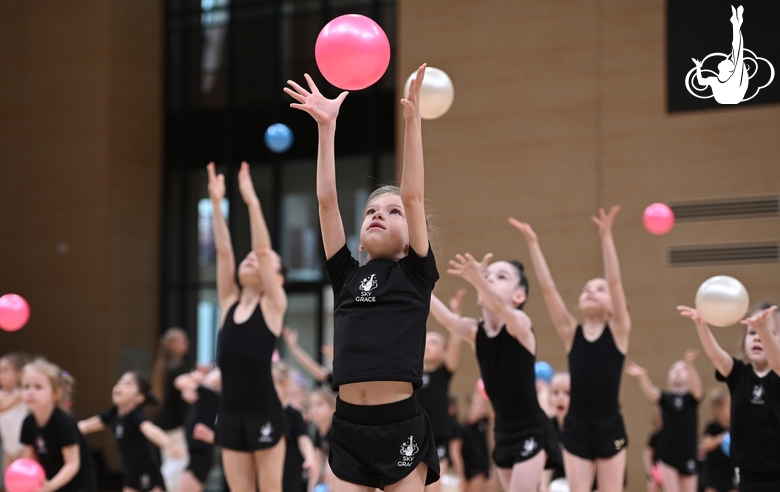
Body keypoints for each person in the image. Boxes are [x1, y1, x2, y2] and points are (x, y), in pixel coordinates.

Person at [285, 63, 440, 492]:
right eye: (372, 210)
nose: (378, 215)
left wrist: (412, 123)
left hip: (400, 426)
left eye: (393, 213)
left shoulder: (415, 271)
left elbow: (412, 194)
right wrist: (326, 127)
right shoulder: (346, 276)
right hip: (348, 427)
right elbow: (326, 201)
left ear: (411, 237)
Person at [511, 207, 630, 492]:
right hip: (576, 424)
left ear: (615, 306)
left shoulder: (619, 331)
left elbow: (614, 281)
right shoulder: (570, 332)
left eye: (598, 290)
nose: (591, 291)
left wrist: (606, 237)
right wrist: (533, 245)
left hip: (609, 423)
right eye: (587, 288)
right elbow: (548, 287)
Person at [429, 253, 560, 492]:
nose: (489, 280)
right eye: (487, 275)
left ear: (518, 296)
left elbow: (500, 307)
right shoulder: (475, 331)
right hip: (503, 432)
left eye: (501, 277)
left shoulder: (520, 324)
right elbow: (447, 320)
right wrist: (415, 277)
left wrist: (479, 280)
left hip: (532, 428)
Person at [208, 161, 288, 492]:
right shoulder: (228, 303)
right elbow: (224, 252)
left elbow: (263, 250)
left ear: (278, 278)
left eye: (260, 262)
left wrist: (252, 201)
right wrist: (216, 203)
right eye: (248, 259)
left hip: (264, 412)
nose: (250, 259)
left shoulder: (273, 306)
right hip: (230, 415)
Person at [678, 301, 780, 491]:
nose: (757, 338)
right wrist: (702, 326)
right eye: (752, 333)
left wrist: (762, 329)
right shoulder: (739, 373)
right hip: (748, 476)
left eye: (768, 333)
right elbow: (717, 357)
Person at [78, 372, 182, 492]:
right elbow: (85, 426)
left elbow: (150, 430)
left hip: (147, 471)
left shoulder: (136, 416)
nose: (119, 386)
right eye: (119, 382)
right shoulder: (112, 414)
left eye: (127, 384)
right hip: (131, 474)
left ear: (139, 397)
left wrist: (167, 443)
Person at [626, 350, 703, 492]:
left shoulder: (691, 399)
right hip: (667, 454)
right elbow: (651, 393)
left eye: (682, 370)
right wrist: (643, 377)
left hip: (688, 454)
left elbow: (698, 389)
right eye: (674, 369)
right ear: (668, 378)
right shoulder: (666, 399)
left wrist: (689, 365)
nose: (678, 371)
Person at [19, 359, 97, 492]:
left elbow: (72, 464)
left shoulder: (63, 421)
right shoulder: (28, 422)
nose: (30, 392)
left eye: (38, 387)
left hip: (78, 484)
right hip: (50, 481)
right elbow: (29, 460)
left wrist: (50, 486)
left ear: (56, 393)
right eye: (26, 387)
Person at [417, 289, 465, 491]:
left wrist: (456, 316)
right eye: (426, 342)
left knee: (434, 485)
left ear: (444, 352)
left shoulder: (443, 372)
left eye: (435, 343)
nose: (428, 346)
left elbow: (456, 344)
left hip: (438, 438)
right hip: (414, 436)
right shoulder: (412, 373)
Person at [152, 327, 192, 492]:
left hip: (167, 424)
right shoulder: (176, 369)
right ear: (173, 344)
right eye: (182, 340)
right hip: (177, 426)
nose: (186, 344)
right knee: (176, 465)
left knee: (173, 465)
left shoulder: (165, 367)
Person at [271, 361, 317, 492]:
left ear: (284, 386)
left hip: (290, 468)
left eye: (271, 385)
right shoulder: (260, 415)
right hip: (267, 466)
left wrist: (309, 457)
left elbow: (303, 439)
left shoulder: (294, 414)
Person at [175, 367, 222, 492]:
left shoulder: (211, 391)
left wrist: (197, 378)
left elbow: (179, 381)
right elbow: (178, 382)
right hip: (195, 452)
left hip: (201, 453)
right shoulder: (200, 391)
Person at [692, 6, 748, 104]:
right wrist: (698, 67)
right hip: (731, 97)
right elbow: (701, 82)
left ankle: (736, 23)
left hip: (732, 96)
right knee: (737, 51)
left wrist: (698, 67)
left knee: (737, 51)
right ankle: (736, 24)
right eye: (727, 60)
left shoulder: (729, 78)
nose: (724, 59)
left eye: (726, 61)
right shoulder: (716, 79)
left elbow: (737, 48)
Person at [699, 387, 736, 492]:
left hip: (730, 471)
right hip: (713, 472)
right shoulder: (712, 427)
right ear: (718, 409)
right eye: (729, 406)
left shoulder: (735, 428)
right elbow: (706, 445)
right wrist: (721, 438)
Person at [0, 352, 30, 472]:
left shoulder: (22, 393)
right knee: (9, 485)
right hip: (8, 448)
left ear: (19, 373)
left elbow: (2, 407)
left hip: (24, 447)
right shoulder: (1, 394)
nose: (1, 375)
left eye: (5, 371)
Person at [540, 372, 570, 492]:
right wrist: (543, 486)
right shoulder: (549, 427)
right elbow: (548, 463)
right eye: (555, 393)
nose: (560, 397)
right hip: (558, 483)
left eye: (567, 393)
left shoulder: (583, 427)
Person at [460, 388, 491, 492]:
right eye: (478, 406)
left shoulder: (485, 421)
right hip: (470, 462)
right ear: (470, 406)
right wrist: (480, 392)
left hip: (481, 462)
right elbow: (474, 414)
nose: (481, 409)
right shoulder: (469, 420)